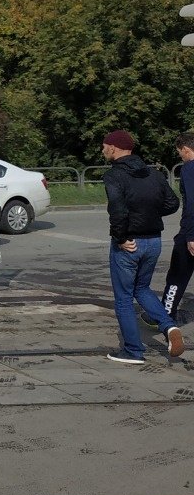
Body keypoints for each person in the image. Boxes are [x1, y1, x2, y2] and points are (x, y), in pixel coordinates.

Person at [101, 130, 184, 363]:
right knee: (142, 289)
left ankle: (133, 351)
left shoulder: (114, 175)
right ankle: (169, 327)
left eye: (105, 145)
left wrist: (120, 238)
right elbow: (172, 203)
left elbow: (116, 210)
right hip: (154, 241)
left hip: (129, 243)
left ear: (114, 148)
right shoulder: (153, 173)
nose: (103, 149)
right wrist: (149, 214)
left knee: (124, 298)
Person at [156, 132, 194, 326]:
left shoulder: (189, 168)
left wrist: (190, 235)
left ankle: (166, 314)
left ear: (186, 149)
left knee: (177, 275)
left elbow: (192, 204)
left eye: (180, 152)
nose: (180, 156)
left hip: (190, 232)